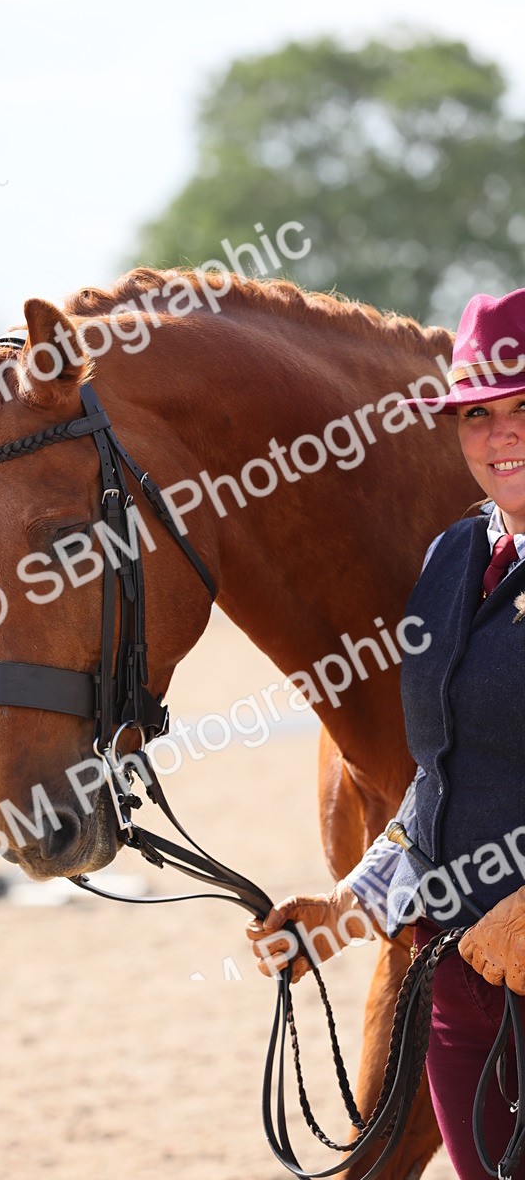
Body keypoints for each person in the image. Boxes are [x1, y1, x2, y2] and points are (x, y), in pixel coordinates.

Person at [246, 288, 525, 1179]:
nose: (499, 436)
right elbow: (437, 777)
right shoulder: (450, 561)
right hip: (457, 983)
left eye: (523, 410)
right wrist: (347, 905)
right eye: (477, 415)